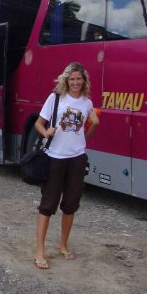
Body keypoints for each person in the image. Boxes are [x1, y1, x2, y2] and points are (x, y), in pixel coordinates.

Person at [32, 62, 99, 270]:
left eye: (79, 79)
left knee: (71, 204)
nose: (76, 82)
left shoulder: (87, 103)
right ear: (66, 80)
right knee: (48, 204)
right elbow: (38, 123)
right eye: (72, 79)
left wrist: (86, 135)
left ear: (84, 81)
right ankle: (40, 251)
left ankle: (63, 245)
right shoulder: (55, 98)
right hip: (55, 157)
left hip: (77, 158)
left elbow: (90, 127)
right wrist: (46, 133)